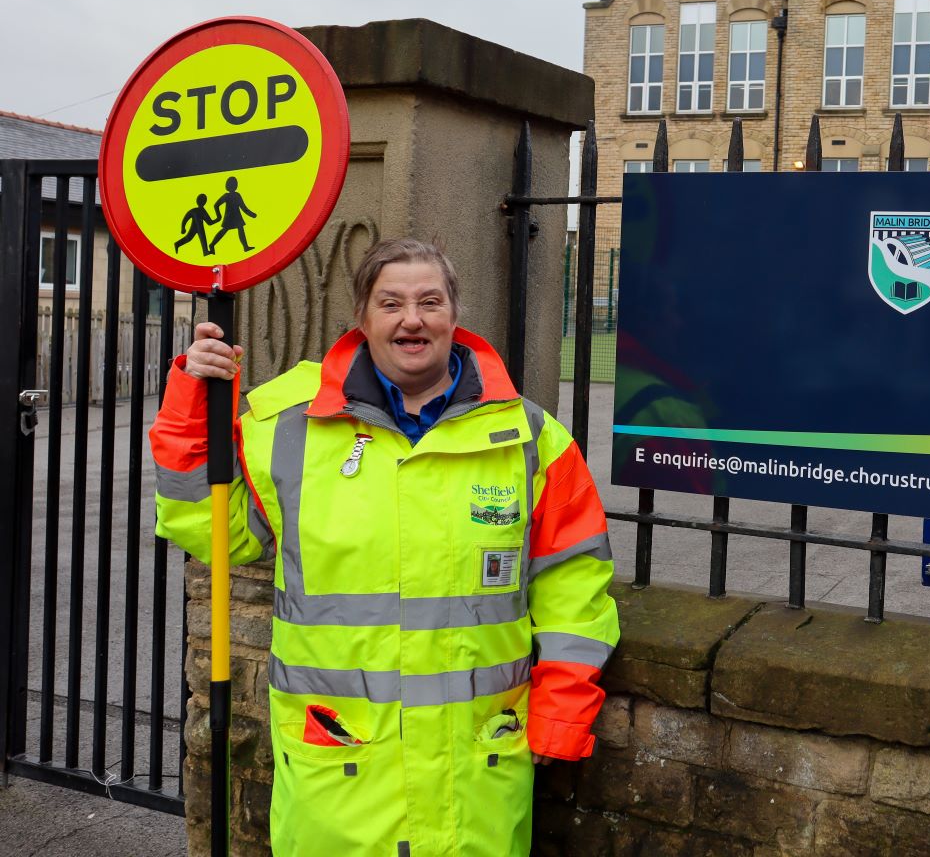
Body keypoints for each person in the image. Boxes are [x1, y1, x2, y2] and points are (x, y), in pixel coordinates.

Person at [150, 238, 618, 856]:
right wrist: (192, 403)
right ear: (363, 318)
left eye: (430, 300)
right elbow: (206, 526)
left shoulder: (530, 436)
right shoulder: (289, 427)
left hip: (475, 777)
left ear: (455, 314)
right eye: (390, 302)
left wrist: (562, 709)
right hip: (339, 774)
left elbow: (574, 582)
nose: (412, 319)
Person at [208, 175, 258, 253]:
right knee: (225, 231)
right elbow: (216, 205)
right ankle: (212, 244)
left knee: (240, 229)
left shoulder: (235, 195)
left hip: (236, 217)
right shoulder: (228, 196)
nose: (236, 185)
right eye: (234, 184)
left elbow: (243, 207)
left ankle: (245, 246)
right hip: (230, 217)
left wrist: (251, 214)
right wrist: (219, 216)